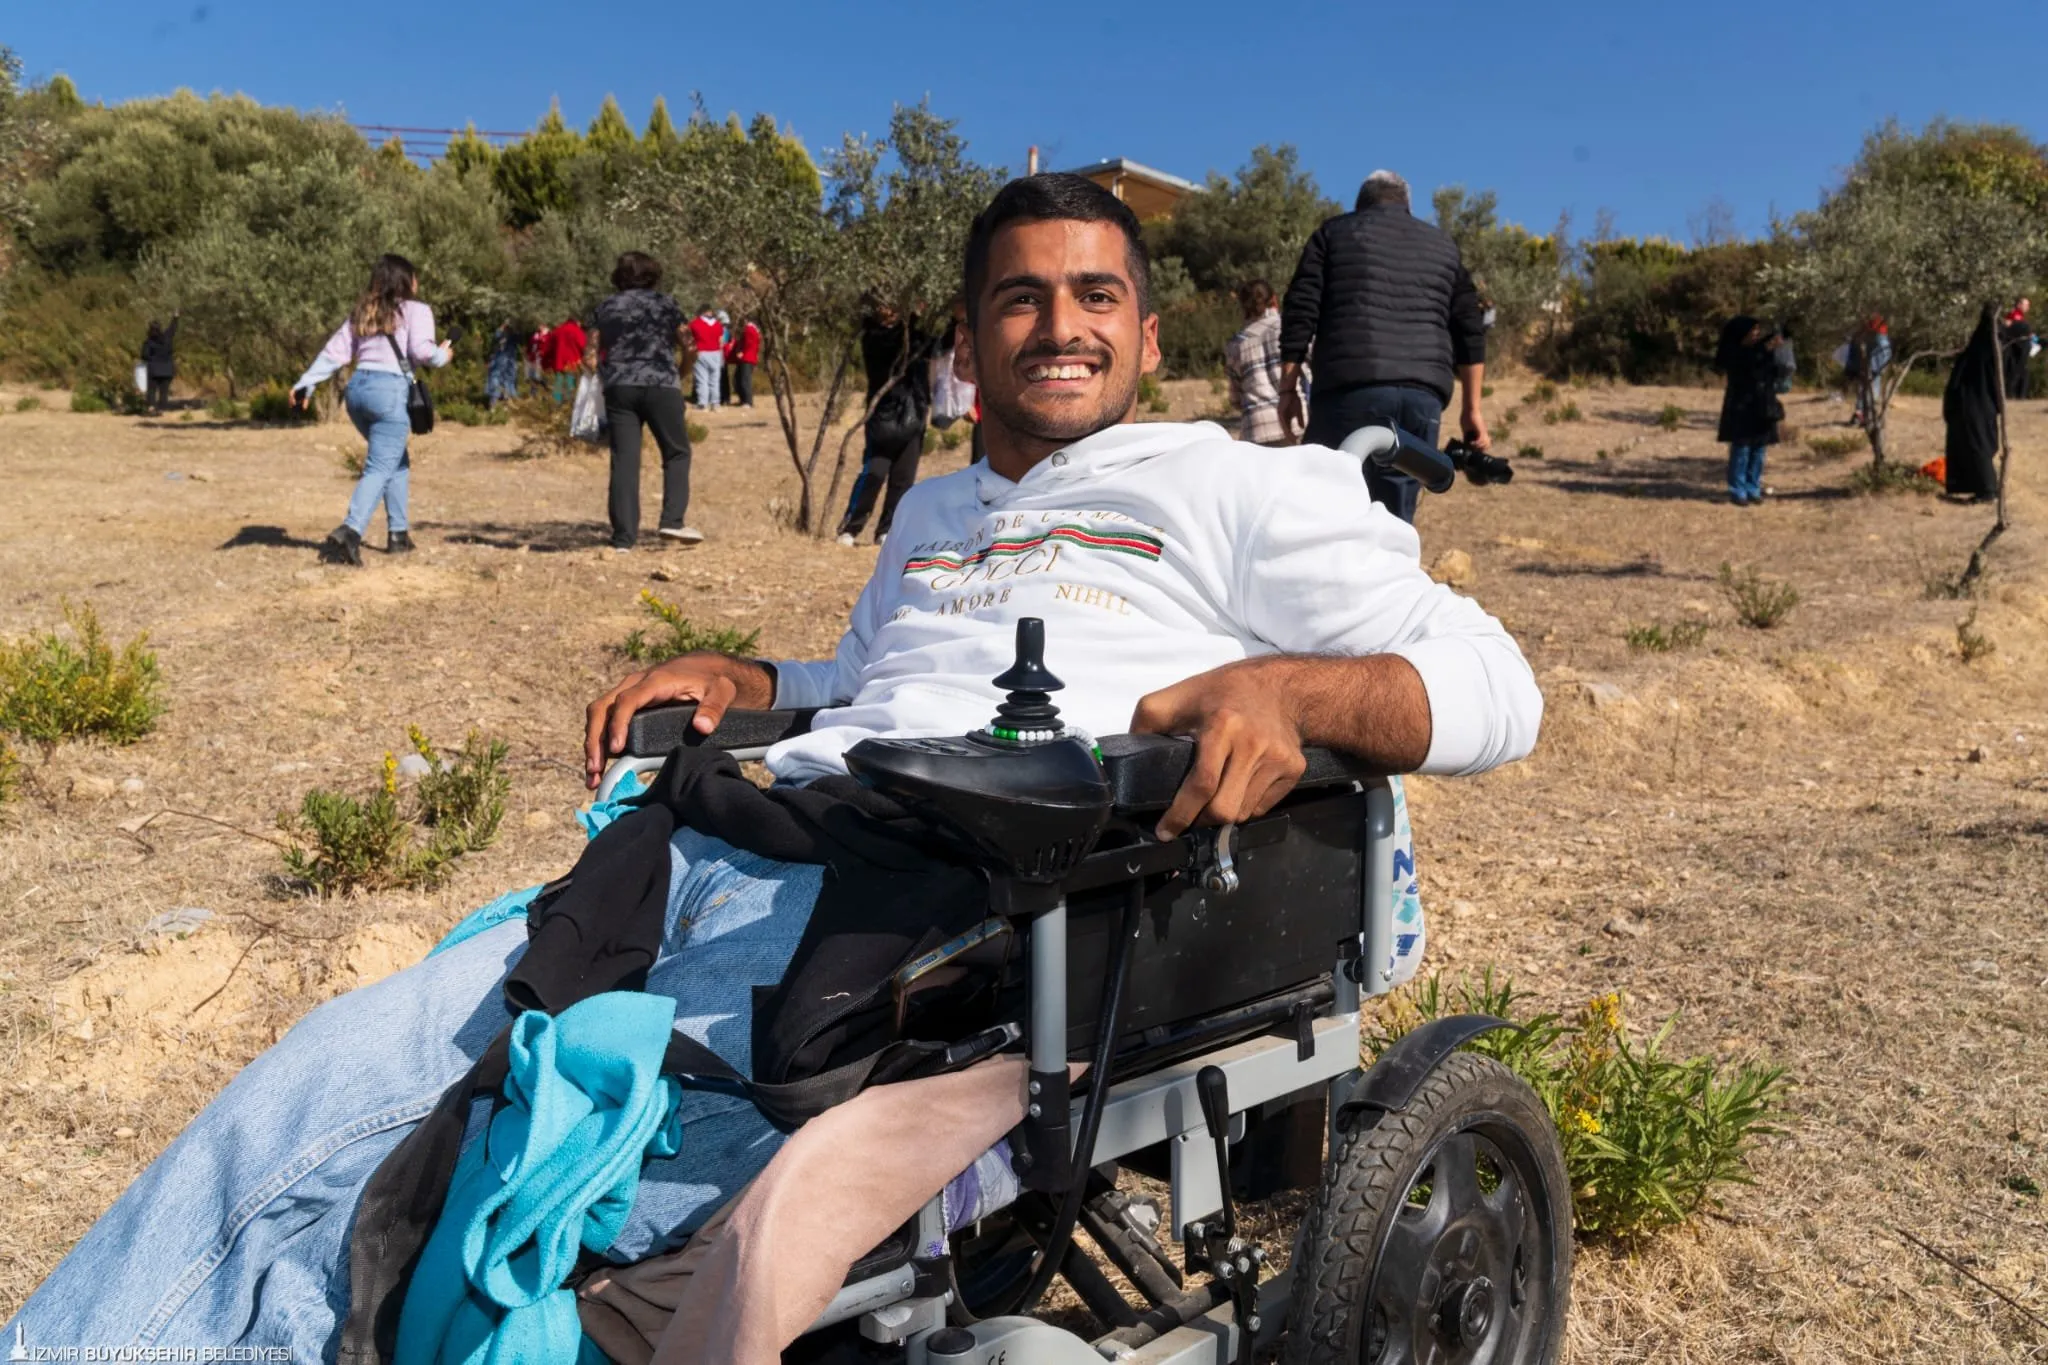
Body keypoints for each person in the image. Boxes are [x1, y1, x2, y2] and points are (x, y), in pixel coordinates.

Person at [6, 173, 1543, 1361]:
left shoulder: (1235, 487)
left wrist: (1295, 689)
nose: (1059, 324)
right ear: (967, 341)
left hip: (948, 916)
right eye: (1018, 299)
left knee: (461, 1194)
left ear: (1148, 333)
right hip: (724, 851)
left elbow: (1495, 684)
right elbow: (875, 685)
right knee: (313, 1091)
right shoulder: (937, 515)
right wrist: (755, 679)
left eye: (1094, 296)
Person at [1276, 169, 1490, 522]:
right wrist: (1472, 410)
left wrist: (1288, 389)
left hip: (1350, 389)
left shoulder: (1332, 234)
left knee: (1329, 506)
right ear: (1406, 205)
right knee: (1395, 519)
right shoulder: (1443, 246)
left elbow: (1301, 310)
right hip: (1422, 398)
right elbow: (1470, 329)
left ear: (1361, 204)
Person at [288, 253, 453, 565]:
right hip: (389, 393)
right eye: (415, 276)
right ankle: (349, 533)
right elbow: (422, 351)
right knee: (379, 466)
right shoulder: (417, 310)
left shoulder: (365, 310)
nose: (418, 282)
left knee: (395, 460)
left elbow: (334, 353)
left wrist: (305, 384)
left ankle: (398, 535)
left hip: (358, 391)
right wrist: (443, 356)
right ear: (407, 280)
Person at [589, 251, 703, 552]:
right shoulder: (666, 305)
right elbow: (691, 347)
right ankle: (672, 521)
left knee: (625, 460)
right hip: (661, 384)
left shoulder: (606, 307)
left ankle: (623, 539)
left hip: (619, 387)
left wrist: (605, 376)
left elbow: (589, 356)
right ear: (653, 274)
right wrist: (680, 374)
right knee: (676, 452)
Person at [834, 298, 936, 546]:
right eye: (884, 306)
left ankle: (886, 530)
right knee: (874, 473)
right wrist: (912, 320)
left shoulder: (918, 336)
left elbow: (936, 347)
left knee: (903, 478)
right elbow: (894, 351)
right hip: (883, 417)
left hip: (912, 415)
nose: (889, 310)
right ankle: (851, 527)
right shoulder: (874, 337)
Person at [1714, 315, 1790, 507]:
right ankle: (1738, 490)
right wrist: (1766, 349)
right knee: (1742, 449)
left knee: (1758, 449)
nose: (1756, 334)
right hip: (1742, 406)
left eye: (1757, 330)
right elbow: (1747, 363)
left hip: (1762, 405)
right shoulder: (1735, 353)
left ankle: (1753, 488)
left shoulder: (1759, 350)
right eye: (1752, 330)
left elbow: (1770, 365)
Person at [1222, 279, 1298, 447]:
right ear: (1274, 300)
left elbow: (1235, 398)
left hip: (1256, 429)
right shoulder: (1289, 329)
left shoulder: (1236, 344)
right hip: (1293, 421)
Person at [1944, 307, 2003, 502]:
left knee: (1978, 446)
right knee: (1977, 445)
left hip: (1974, 403)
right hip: (1981, 403)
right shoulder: (1990, 346)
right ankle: (1981, 488)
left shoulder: (1981, 347)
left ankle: (1987, 490)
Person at [139, 311, 179, 415]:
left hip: (153, 370)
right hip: (167, 370)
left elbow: (144, 356)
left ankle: (151, 408)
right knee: (164, 391)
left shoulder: (148, 342)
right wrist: (175, 317)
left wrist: (151, 358)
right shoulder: (167, 338)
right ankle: (161, 409)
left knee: (151, 390)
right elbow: (172, 328)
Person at [542, 317, 588, 403]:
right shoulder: (577, 331)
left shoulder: (557, 331)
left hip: (558, 363)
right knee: (570, 385)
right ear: (577, 322)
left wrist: (546, 364)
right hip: (572, 363)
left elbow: (548, 349)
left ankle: (556, 404)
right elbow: (583, 346)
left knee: (559, 384)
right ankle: (568, 405)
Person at [688, 306, 725, 410]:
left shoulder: (694, 323)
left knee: (702, 379)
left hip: (701, 352)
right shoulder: (718, 324)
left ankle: (703, 403)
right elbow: (721, 341)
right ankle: (715, 403)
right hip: (716, 353)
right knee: (715, 380)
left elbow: (688, 338)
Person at [2000, 298, 2035, 401]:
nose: (2028, 307)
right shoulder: (2015, 315)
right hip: (2014, 350)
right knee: (2016, 372)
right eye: (2026, 305)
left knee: (2023, 373)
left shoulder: (2020, 316)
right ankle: (2013, 394)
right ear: (2019, 305)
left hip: (2020, 349)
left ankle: (2020, 396)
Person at [726, 316, 760, 408]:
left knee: (744, 380)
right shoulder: (755, 330)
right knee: (739, 378)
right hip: (750, 358)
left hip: (746, 358)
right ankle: (744, 399)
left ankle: (747, 401)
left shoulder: (749, 329)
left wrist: (742, 352)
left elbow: (748, 343)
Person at [484, 322, 520, 409]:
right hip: (498, 364)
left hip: (508, 365)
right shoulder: (499, 337)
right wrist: (502, 326)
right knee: (494, 382)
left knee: (508, 383)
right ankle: (493, 405)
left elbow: (518, 336)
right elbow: (496, 336)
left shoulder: (513, 338)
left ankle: (506, 405)